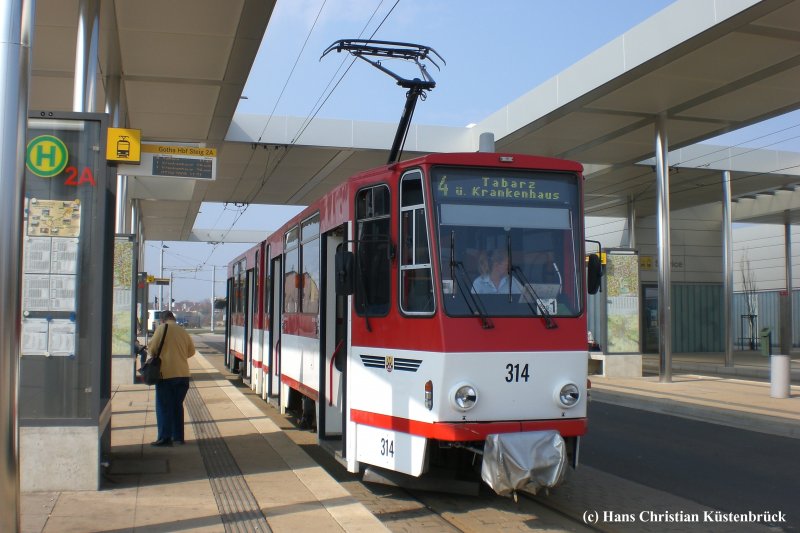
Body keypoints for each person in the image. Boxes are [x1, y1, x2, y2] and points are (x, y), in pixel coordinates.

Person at [147, 310, 196, 447]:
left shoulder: (162, 329)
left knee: (164, 406)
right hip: (183, 375)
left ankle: (164, 438)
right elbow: (191, 351)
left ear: (162, 320)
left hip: (166, 374)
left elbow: (152, 350)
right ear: (173, 318)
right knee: (177, 406)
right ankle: (178, 437)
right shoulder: (183, 331)